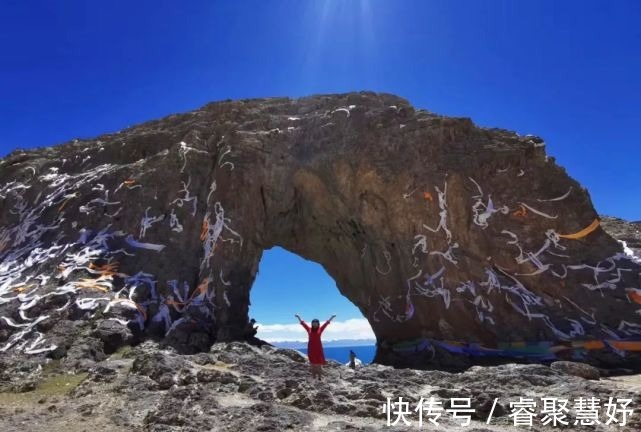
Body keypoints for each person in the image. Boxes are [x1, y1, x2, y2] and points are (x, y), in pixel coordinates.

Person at [295, 313, 335, 380]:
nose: (315, 324)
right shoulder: (309, 329)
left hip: (318, 349)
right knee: (312, 365)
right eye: (313, 322)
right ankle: (313, 378)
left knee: (319, 365)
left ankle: (319, 378)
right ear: (312, 324)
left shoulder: (320, 329)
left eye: (316, 323)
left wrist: (332, 317)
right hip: (311, 349)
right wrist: (298, 316)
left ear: (318, 324)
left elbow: (326, 323)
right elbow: (303, 323)